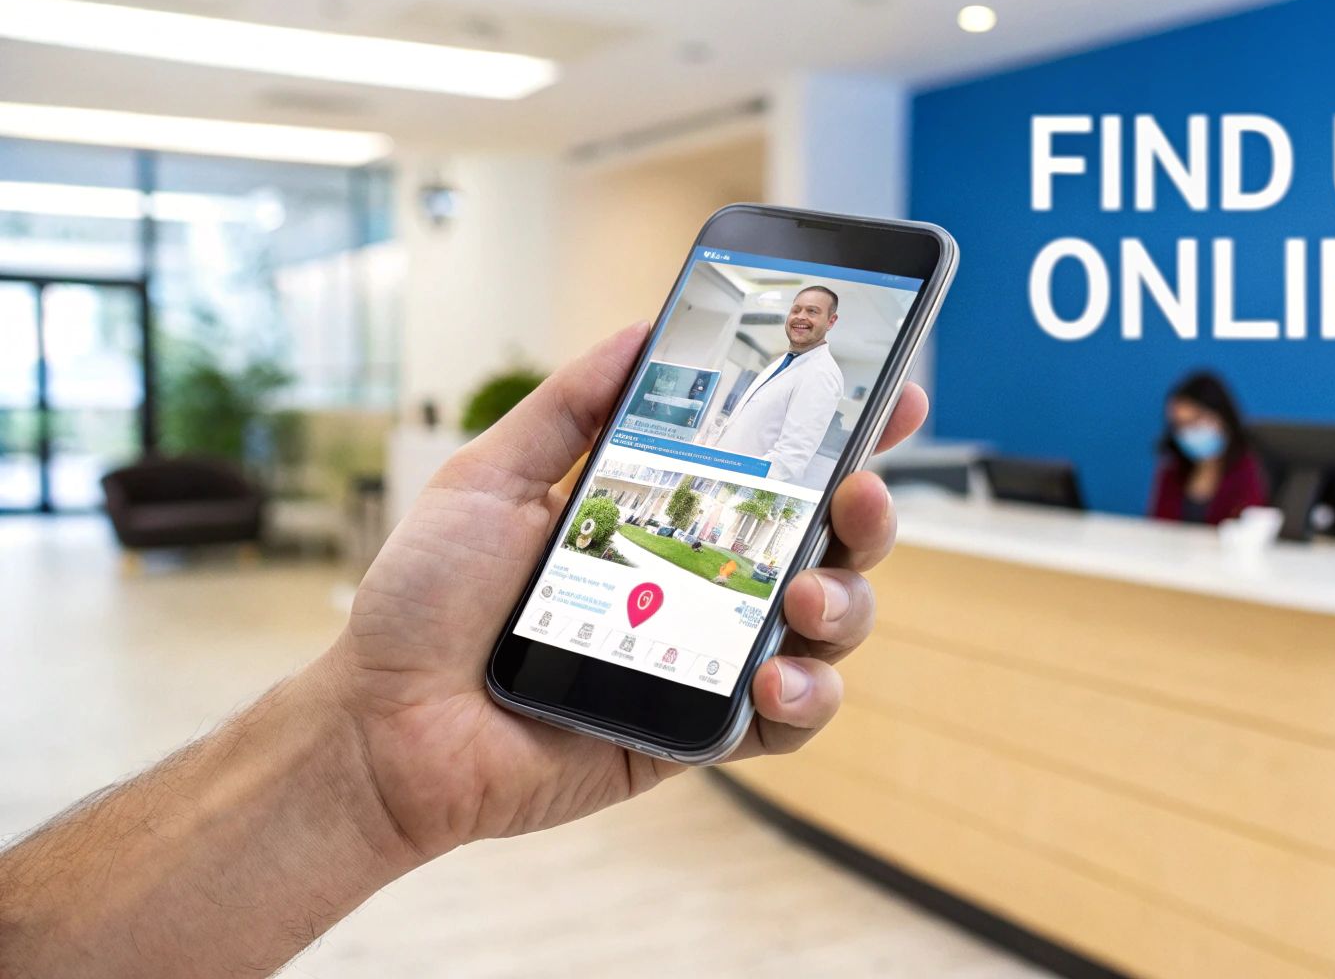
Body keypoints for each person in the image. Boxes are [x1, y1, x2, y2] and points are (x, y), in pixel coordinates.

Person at [0, 322, 929, 977]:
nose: (803, 314)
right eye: (797, 305)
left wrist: (367, 762)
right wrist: (365, 752)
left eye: (816, 309)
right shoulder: (772, 362)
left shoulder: (817, 379)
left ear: (834, 322)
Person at [709, 285, 845, 483]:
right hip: (718, 475)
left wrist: (732, 489)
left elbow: (789, 460)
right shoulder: (785, 360)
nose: (801, 317)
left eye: (812, 311)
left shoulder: (822, 374)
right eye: (796, 310)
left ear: (831, 321)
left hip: (735, 486)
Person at [1148, 370, 1270, 526]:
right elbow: (1159, 527)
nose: (1188, 432)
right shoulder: (1173, 470)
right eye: (1180, 425)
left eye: (1196, 420)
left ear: (1222, 416)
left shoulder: (1246, 468)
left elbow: (1251, 526)